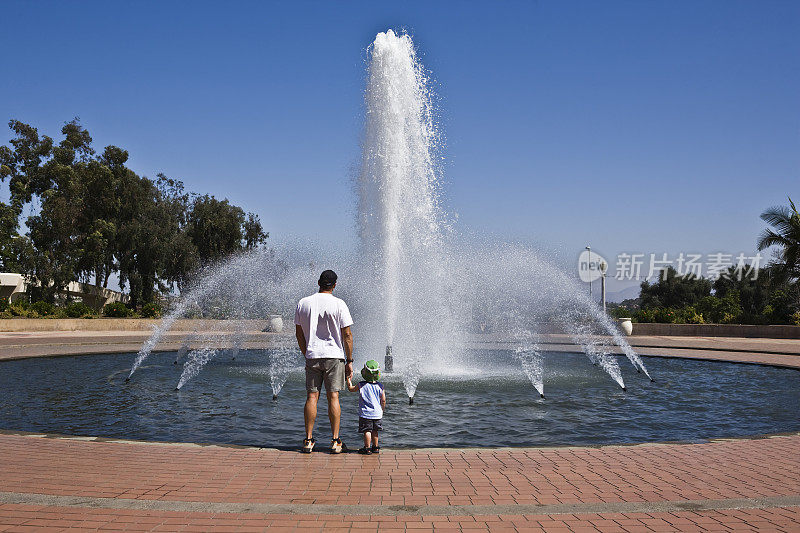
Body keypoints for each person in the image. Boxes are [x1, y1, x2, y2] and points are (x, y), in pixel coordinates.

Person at [294, 269, 354, 453]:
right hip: (334, 356)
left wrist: (307, 353)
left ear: (318, 283)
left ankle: (308, 440)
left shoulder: (303, 303)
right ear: (334, 285)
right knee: (333, 397)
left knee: (312, 396)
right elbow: (347, 334)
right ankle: (335, 442)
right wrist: (349, 360)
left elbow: (299, 334)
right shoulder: (339, 304)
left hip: (312, 355)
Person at [346, 359, 386, 455]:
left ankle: (367, 448)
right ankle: (375, 447)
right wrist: (382, 409)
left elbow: (351, 389)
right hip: (377, 413)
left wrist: (348, 380)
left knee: (367, 431)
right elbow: (383, 400)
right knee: (375, 431)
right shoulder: (380, 386)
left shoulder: (361, 385)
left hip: (366, 413)